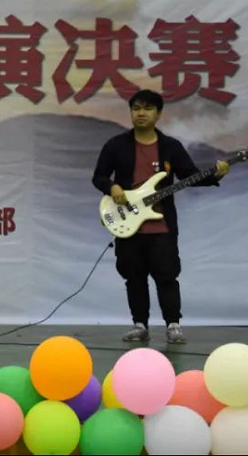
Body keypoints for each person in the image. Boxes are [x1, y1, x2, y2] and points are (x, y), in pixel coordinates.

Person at [92, 89, 229, 344]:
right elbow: (98, 176)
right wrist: (112, 187)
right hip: (129, 226)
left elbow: (190, 176)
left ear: (159, 114)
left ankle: (173, 325)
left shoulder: (170, 147)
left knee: (167, 277)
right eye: (136, 108)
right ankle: (139, 325)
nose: (141, 113)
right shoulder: (115, 145)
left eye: (147, 108)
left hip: (162, 227)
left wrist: (216, 174)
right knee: (134, 277)